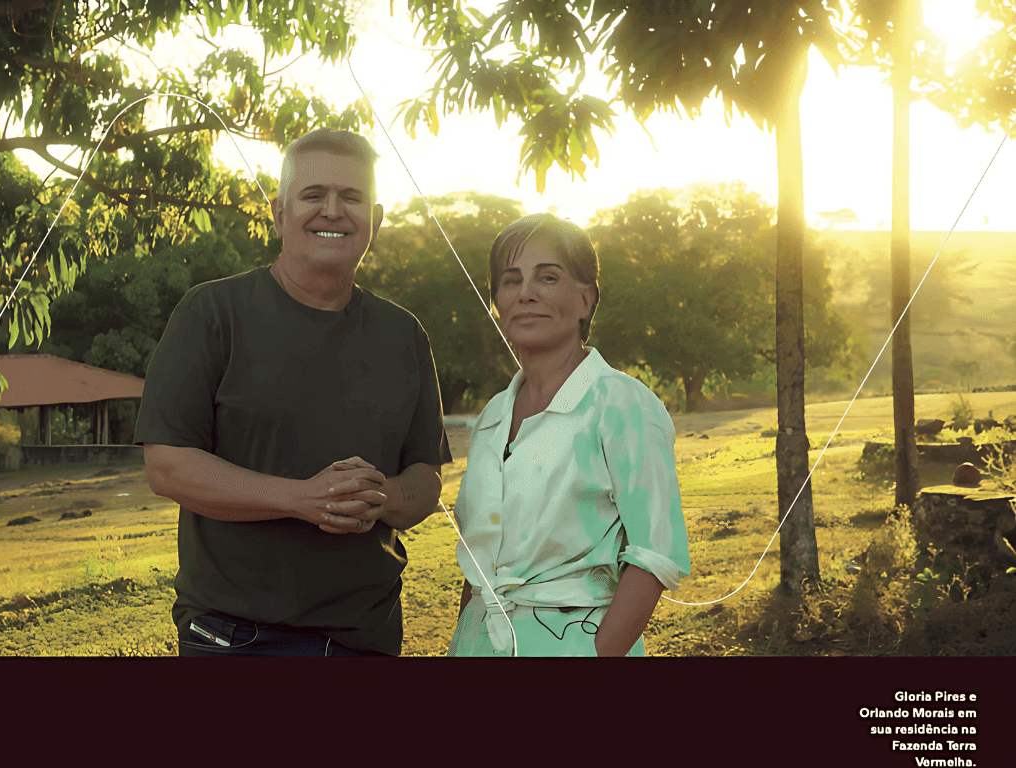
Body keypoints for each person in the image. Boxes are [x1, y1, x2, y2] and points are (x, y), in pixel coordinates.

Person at [134, 129, 451, 657]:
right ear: (280, 214)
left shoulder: (404, 335)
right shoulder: (212, 313)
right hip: (237, 637)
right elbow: (167, 465)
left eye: (350, 197)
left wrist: (379, 499)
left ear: (375, 218)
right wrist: (302, 499)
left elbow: (426, 474)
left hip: (367, 639)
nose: (333, 211)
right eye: (313, 195)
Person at [447, 214, 691, 657]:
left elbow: (655, 556)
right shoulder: (491, 418)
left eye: (548, 277)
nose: (526, 293)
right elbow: (480, 565)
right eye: (511, 280)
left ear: (585, 299)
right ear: (497, 301)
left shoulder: (621, 404)